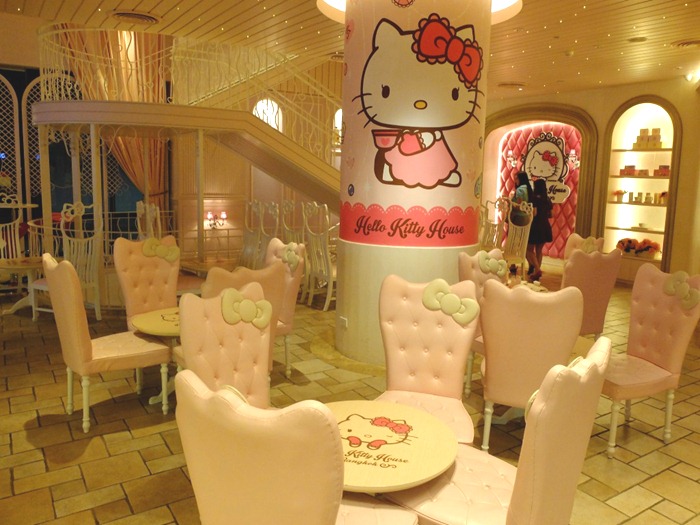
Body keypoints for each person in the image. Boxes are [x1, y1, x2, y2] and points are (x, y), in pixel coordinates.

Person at [526, 178, 553, 281]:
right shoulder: (547, 199)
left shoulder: (534, 199)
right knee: (539, 251)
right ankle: (536, 272)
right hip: (545, 226)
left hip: (535, 227)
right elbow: (551, 214)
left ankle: (537, 269)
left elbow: (534, 213)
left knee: (528, 249)